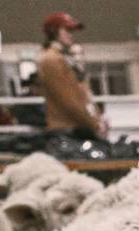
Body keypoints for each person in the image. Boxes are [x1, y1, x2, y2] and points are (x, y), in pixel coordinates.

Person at [36, 11, 105, 139]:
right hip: (67, 128)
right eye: (67, 30)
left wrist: (97, 117)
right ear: (53, 31)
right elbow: (68, 100)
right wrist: (94, 123)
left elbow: (81, 93)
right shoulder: (52, 59)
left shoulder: (63, 58)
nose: (71, 35)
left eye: (72, 31)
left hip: (76, 125)